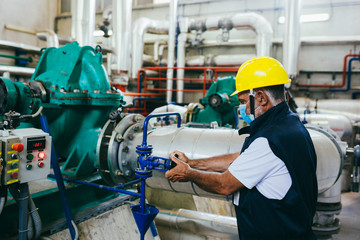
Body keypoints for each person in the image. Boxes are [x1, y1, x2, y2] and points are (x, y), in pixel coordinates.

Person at [165, 56, 318, 240]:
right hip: (293, 228)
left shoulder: (269, 139)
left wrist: (189, 174)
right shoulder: (290, 125)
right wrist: (192, 163)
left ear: (260, 97)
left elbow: (225, 185)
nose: (243, 109)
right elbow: (243, 158)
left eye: (244, 101)